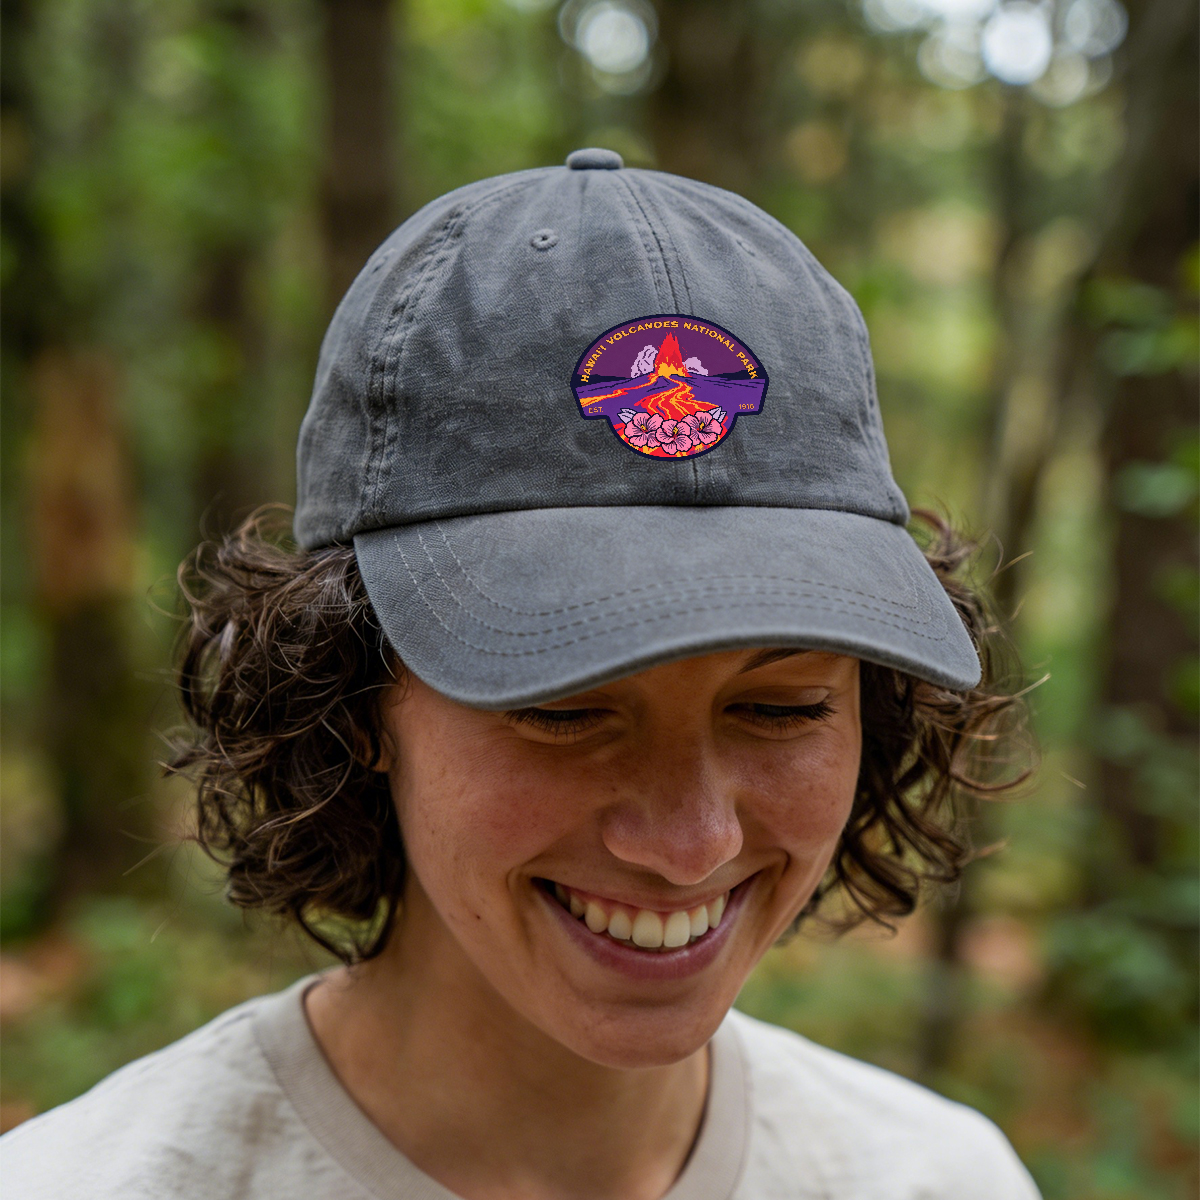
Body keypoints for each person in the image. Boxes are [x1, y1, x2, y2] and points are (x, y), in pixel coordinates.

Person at [1, 147, 1042, 1199]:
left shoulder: (936, 1180)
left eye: (781, 708)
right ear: (352, 698)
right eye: (564, 708)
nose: (691, 844)